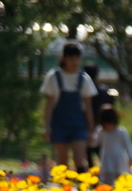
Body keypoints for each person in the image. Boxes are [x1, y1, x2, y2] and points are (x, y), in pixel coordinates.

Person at [40, 42, 98, 173]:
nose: (75, 62)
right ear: (64, 58)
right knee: (62, 162)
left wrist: (91, 130)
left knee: (79, 159)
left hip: (78, 124)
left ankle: (83, 188)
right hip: (59, 124)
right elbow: (49, 105)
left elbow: (88, 107)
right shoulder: (53, 77)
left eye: (77, 58)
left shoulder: (84, 78)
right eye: (71, 58)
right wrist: (47, 127)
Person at [90, 104, 132, 185]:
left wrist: (131, 158)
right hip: (107, 160)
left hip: (119, 160)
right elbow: (94, 144)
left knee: (120, 180)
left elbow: (128, 146)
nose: (108, 126)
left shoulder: (121, 132)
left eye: (110, 123)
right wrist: (91, 138)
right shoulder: (101, 131)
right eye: (106, 124)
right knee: (108, 181)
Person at [83, 63, 109, 168]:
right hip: (102, 124)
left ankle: (92, 178)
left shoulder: (84, 90)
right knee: (102, 152)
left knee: (88, 153)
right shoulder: (104, 90)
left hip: (86, 125)